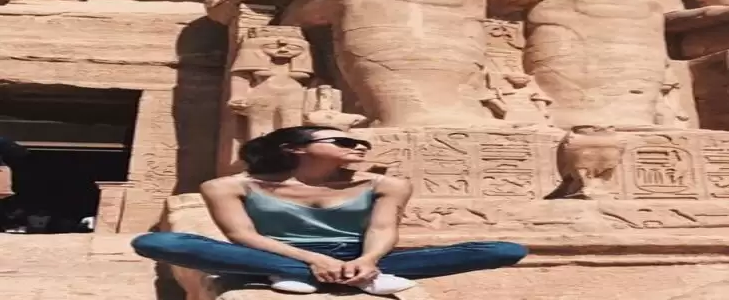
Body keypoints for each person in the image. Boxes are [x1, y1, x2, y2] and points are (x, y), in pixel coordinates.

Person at [130, 126, 527, 295]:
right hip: (273, 254)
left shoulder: (387, 184)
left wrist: (367, 261)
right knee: (157, 243)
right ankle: (304, 274)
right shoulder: (228, 186)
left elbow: (382, 230)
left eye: (361, 144)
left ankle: (331, 277)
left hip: (361, 257)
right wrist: (313, 261)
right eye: (343, 141)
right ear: (295, 148)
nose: (359, 147)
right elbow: (242, 236)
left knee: (505, 250)